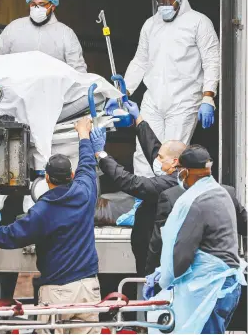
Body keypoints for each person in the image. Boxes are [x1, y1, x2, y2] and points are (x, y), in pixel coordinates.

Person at [0, 117, 101, 334]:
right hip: (88, 288)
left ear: (46, 178)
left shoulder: (42, 211)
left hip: (58, 292)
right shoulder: (85, 192)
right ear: (72, 176)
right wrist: (83, 134)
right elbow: (87, 163)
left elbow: (9, 236)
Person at [106, 0, 219, 179]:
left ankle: (168, 202)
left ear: (180, 0)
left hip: (184, 100)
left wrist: (208, 96)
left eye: (168, 1)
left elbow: (211, 60)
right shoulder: (150, 25)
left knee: (172, 155)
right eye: (160, 1)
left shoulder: (199, 22)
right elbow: (140, 61)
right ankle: (142, 202)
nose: (163, 6)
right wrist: (120, 93)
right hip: (154, 99)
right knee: (143, 151)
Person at [146, 145, 247, 333]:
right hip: (226, 286)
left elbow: (182, 255)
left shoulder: (196, 202)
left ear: (185, 171)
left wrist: (164, 280)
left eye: (179, 170)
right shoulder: (222, 193)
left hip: (210, 288)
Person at [91, 100, 186, 276]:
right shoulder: (176, 172)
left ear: (174, 162)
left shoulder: (171, 185)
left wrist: (101, 155)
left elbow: (131, 183)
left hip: (155, 260)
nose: (156, 160)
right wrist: (139, 120)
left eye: (161, 158)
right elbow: (155, 149)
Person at [145, 177, 247, 276]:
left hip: (190, 277)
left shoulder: (171, 196)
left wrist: (151, 272)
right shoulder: (227, 192)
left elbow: (159, 242)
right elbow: (245, 225)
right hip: (224, 274)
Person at [0, 0, 87, 73]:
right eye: (33, 4)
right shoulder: (14, 28)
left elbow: (78, 70)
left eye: (42, 4)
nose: (37, 8)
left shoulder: (65, 34)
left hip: (53, 90)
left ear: (52, 7)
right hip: (16, 90)